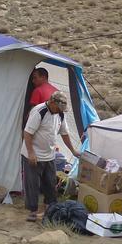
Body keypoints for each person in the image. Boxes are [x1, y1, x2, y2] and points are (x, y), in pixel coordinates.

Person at [21, 90, 79, 222]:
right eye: (58, 107)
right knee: (33, 184)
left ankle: (49, 209)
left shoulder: (60, 115)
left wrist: (73, 151)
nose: (60, 110)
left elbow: (64, 134)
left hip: (49, 155)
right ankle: (33, 211)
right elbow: (27, 133)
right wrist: (31, 153)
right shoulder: (39, 111)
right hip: (33, 154)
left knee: (50, 183)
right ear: (52, 102)